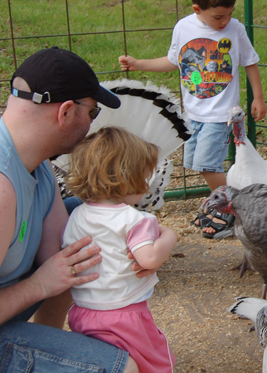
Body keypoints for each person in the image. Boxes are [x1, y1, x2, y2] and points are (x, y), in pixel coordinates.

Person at [0, 46, 142, 372]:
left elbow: (67, 258)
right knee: (122, 369)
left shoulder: (35, 164)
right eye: (92, 113)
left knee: (85, 219)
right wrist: (38, 286)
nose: (93, 124)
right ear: (65, 112)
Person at [119, 0, 266, 238]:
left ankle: (235, 207)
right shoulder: (183, 28)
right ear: (197, 9)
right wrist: (139, 64)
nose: (225, 21)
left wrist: (258, 96)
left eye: (230, 14)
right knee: (196, 163)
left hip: (220, 114)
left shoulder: (235, 30)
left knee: (208, 165)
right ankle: (226, 203)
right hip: (192, 113)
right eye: (218, 16)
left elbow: (250, 61)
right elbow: (173, 61)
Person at [64, 126, 178, 372]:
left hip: (82, 311)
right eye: (145, 175)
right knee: (154, 364)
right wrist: (170, 235)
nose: (148, 183)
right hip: (124, 315)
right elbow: (148, 258)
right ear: (129, 176)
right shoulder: (134, 219)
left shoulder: (77, 215)